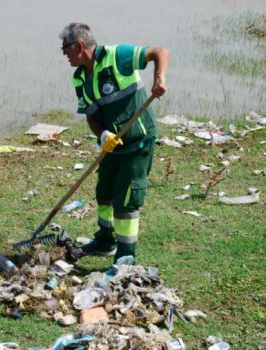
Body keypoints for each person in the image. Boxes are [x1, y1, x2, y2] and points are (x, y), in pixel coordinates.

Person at [59, 23, 169, 263]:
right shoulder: (79, 78)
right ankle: (105, 241)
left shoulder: (117, 55)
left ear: (78, 46)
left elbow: (159, 52)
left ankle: (126, 258)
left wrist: (159, 78)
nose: (64, 54)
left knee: (126, 200)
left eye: (65, 49)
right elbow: (91, 115)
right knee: (105, 193)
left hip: (137, 142)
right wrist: (102, 136)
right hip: (112, 145)